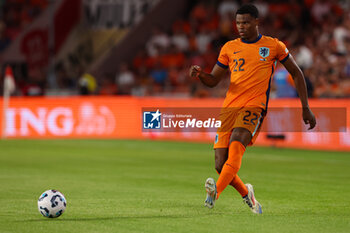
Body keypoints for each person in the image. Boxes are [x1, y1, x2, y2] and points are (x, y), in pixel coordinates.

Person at [189, 4, 316, 214]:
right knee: (221, 165)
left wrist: (306, 107)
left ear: (257, 22)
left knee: (237, 142)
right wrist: (200, 74)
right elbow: (213, 80)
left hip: (255, 106)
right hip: (229, 108)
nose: (241, 26)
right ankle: (247, 193)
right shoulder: (229, 47)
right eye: (238, 23)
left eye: (246, 22)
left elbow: (296, 72)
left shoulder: (273, 46)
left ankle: (215, 193)